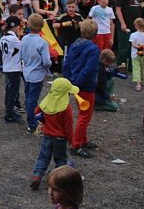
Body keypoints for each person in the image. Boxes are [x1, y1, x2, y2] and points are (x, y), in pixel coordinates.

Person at [29, 78, 76, 190]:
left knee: (43, 157)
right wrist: (71, 141)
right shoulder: (66, 109)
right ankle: (60, 181)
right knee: (60, 159)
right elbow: (68, 127)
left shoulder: (46, 102)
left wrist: (43, 121)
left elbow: (36, 112)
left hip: (47, 135)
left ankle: (37, 176)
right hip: (60, 138)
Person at [62, 19, 100, 158]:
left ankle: (83, 140)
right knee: (85, 116)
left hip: (75, 82)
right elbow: (89, 69)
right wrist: (78, 83)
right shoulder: (94, 49)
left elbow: (67, 63)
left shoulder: (75, 44)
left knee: (82, 113)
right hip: (85, 85)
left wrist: (69, 81)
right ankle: (76, 144)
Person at [21, 14, 51, 133]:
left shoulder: (24, 39)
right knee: (32, 99)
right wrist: (48, 66)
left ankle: (32, 117)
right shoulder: (42, 43)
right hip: (37, 74)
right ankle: (32, 123)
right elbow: (46, 61)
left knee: (28, 96)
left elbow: (21, 55)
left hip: (26, 71)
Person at [1, 16, 23, 123]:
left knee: (9, 90)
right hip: (14, 68)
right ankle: (9, 112)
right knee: (13, 91)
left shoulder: (3, 37)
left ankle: (8, 109)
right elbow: (23, 47)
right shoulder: (13, 39)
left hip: (6, 66)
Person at [129, 17, 144, 91]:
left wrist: (139, 48)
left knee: (136, 68)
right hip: (143, 54)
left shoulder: (133, 35)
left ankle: (138, 83)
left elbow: (133, 44)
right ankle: (142, 79)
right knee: (142, 66)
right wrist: (143, 50)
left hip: (135, 54)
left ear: (135, 26)